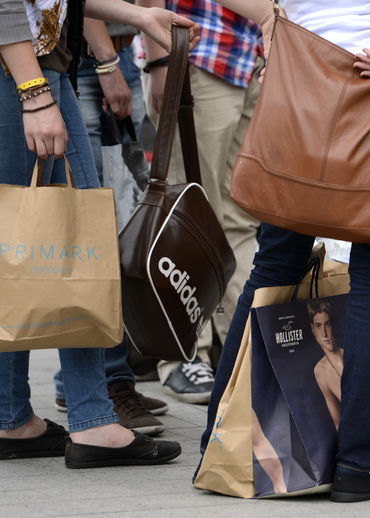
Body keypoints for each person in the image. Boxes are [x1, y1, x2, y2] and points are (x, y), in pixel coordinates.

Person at [200, 0, 370, 502]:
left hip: (300, 65)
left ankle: (221, 438)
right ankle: (358, 465)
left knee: (274, 264)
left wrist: (269, 16)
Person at [0, 0, 196, 467]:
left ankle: (10, 416)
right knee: (81, 243)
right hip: (26, 74)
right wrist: (35, 94)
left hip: (32, 71)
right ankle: (92, 420)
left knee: (16, 243)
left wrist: (137, 16)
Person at [138, 0, 264, 405]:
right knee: (185, 215)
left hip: (248, 60)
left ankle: (247, 347)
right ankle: (179, 358)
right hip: (197, 56)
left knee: (239, 219)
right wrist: (161, 62)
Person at [53, 8, 167, 436]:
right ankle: (111, 384)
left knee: (119, 222)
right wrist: (106, 62)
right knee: (101, 230)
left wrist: (152, 62)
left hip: (115, 60)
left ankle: (95, 379)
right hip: (88, 63)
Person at [307, 300, 370, 467]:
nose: (324, 333)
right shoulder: (320, 371)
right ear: (312, 329)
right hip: (368, 459)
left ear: (332, 325)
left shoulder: (353, 354)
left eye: (327, 324)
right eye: (318, 326)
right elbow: (337, 422)